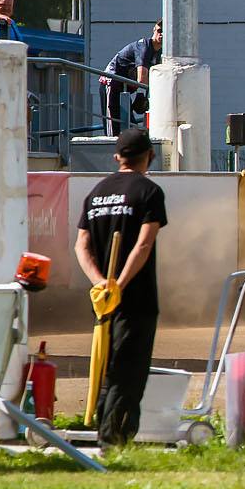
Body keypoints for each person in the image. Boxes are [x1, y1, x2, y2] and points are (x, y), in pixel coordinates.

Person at [76, 126, 167, 445]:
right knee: (128, 370)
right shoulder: (149, 192)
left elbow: (81, 246)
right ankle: (113, 440)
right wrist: (120, 284)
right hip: (135, 299)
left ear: (117, 157)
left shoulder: (95, 193)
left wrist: (100, 283)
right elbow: (143, 245)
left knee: (105, 366)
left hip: (103, 299)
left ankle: (108, 430)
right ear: (150, 156)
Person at [101, 22, 162, 134]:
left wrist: (146, 98)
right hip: (112, 83)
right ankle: (113, 148)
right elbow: (142, 79)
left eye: (165, 32)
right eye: (159, 30)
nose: (161, 34)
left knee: (129, 126)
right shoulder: (144, 46)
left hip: (125, 89)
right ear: (154, 30)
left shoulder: (161, 53)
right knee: (114, 127)